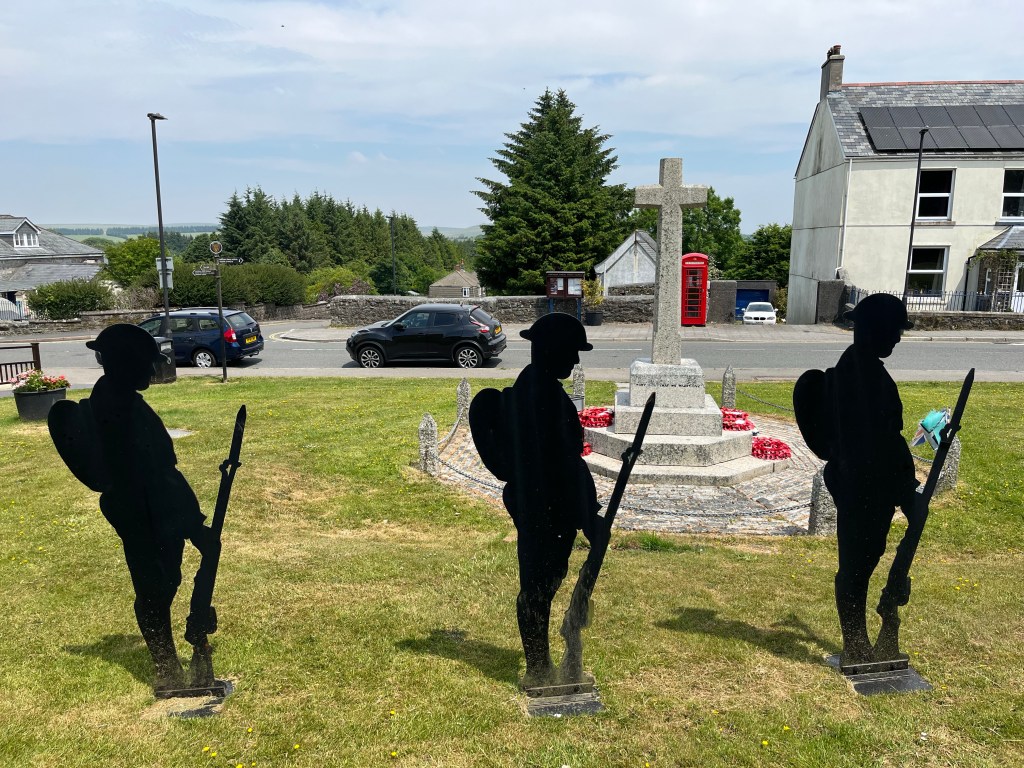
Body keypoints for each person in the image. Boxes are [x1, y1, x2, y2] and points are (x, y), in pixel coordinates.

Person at [75, 324, 217, 691]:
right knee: (155, 589)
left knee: (164, 582)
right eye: (147, 362)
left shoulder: (123, 402)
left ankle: (167, 664)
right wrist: (192, 525)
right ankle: (167, 670)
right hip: (145, 512)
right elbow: (155, 476)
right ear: (124, 363)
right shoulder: (117, 411)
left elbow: (162, 473)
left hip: (154, 509)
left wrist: (191, 522)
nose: (154, 370)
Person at [469, 313, 600, 688]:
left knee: (547, 582)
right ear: (550, 350)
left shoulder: (543, 390)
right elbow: (561, 464)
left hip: (552, 506)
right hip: (544, 507)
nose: (575, 360)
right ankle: (538, 669)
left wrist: (588, 511)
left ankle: (541, 665)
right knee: (538, 589)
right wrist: (587, 513)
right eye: (571, 351)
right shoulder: (537, 395)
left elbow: (567, 461)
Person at [823, 294, 920, 666]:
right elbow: (879, 442)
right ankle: (856, 644)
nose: (896, 338)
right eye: (893, 330)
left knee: (865, 560)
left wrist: (905, 487)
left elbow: (889, 440)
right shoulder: (857, 374)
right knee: (856, 566)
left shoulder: (866, 369)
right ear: (873, 330)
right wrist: (905, 489)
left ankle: (861, 643)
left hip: (873, 486)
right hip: (862, 485)